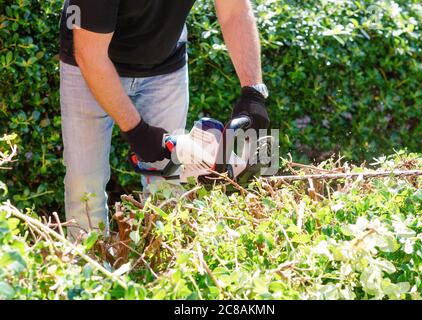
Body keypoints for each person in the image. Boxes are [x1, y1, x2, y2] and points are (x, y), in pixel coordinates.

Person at [59, 0, 270, 241]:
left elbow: (234, 9)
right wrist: (138, 131)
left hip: (164, 63)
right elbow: (90, 54)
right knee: (84, 184)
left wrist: (253, 92)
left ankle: (164, 268)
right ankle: (87, 270)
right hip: (90, 61)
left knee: (167, 184)